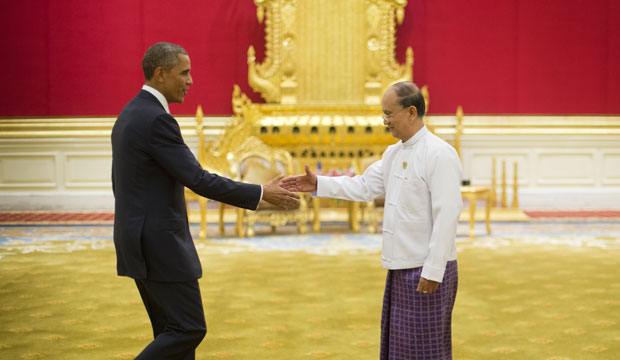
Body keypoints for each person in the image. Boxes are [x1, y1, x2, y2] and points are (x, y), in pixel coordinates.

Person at [111, 42, 300, 360]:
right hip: (160, 244)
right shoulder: (157, 120)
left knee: (171, 331)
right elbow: (198, 179)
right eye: (184, 72)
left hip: (137, 238)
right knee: (188, 329)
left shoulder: (130, 113)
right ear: (160, 74)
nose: (191, 80)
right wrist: (260, 193)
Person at [281, 81, 463, 360]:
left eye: (389, 114)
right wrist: (318, 184)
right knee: (400, 348)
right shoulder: (393, 154)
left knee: (427, 350)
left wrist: (434, 269)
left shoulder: (439, 153)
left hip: (427, 269)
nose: (385, 122)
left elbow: (447, 215)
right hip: (400, 267)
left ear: (411, 112)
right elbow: (363, 186)